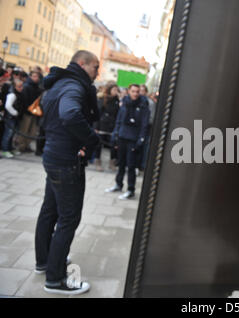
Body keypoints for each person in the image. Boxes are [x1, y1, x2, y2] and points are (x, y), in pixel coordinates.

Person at [34, 50, 100, 295]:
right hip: (64, 160)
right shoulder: (74, 86)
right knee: (68, 218)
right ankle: (56, 278)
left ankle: (44, 261)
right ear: (82, 64)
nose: (97, 72)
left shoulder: (59, 83)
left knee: (49, 211)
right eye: (95, 67)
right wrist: (91, 139)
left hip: (53, 154)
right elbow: (70, 113)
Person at [105, 84, 149, 200]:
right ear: (129, 91)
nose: (135, 93)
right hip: (122, 136)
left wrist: (141, 140)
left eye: (137, 91)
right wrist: (115, 134)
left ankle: (130, 189)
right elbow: (119, 120)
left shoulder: (143, 105)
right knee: (121, 163)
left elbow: (144, 125)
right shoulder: (124, 103)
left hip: (133, 139)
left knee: (131, 165)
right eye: (133, 91)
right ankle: (118, 184)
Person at [93, 82, 120, 171]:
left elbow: (117, 114)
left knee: (113, 145)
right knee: (99, 144)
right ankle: (97, 162)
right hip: (102, 125)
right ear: (109, 90)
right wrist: (96, 127)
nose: (116, 91)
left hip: (112, 126)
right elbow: (98, 113)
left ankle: (112, 162)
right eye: (114, 90)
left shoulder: (117, 100)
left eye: (117, 90)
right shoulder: (102, 99)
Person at [15, 70, 43, 153]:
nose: (36, 78)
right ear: (30, 77)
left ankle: (27, 145)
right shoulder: (27, 86)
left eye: (37, 76)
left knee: (32, 131)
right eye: (34, 76)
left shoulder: (38, 87)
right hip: (27, 112)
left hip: (35, 112)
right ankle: (21, 146)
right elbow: (25, 100)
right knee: (24, 130)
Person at [1, 79, 25, 158]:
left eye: (22, 86)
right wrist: (15, 113)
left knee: (12, 134)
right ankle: (5, 149)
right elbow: (8, 106)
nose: (21, 88)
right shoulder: (12, 95)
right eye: (19, 86)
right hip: (10, 117)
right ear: (15, 86)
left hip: (15, 117)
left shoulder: (18, 94)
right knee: (8, 134)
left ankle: (10, 148)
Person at [138, 85, 156, 171]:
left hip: (146, 127)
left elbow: (151, 117)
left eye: (142, 91)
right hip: (137, 127)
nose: (140, 92)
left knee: (145, 146)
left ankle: (143, 164)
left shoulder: (150, 103)